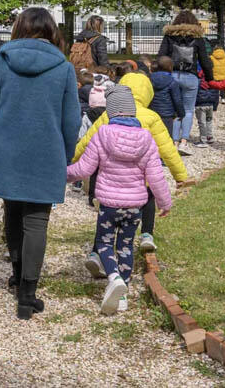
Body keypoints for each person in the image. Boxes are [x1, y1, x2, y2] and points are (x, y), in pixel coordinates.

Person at [0, 7, 81, 320]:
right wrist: (64, 155)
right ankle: (27, 293)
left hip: (6, 150)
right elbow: (71, 120)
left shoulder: (1, 63)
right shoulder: (63, 68)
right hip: (46, 152)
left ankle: (17, 274)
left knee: (13, 212)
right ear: (51, 30)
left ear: (18, 29)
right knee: (37, 220)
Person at [66, 85, 172, 315]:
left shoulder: (102, 134)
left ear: (111, 111)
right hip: (135, 207)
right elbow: (155, 176)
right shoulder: (146, 138)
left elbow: (84, 168)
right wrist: (164, 203)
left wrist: (62, 174)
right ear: (132, 111)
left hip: (109, 206)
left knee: (104, 243)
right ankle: (122, 296)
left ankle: (113, 277)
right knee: (125, 245)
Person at [75, 71, 190, 259]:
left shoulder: (109, 114)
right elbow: (167, 149)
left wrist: (70, 160)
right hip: (140, 180)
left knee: (106, 217)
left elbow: (87, 141)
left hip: (110, 179)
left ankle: (97, 253)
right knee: (149, 198)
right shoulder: (152, 117)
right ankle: (146, 235)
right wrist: (181, 177)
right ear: (148, 94)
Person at [157, 11, 214, 152]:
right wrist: (210, 78)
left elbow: (160, 56)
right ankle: (184, 141)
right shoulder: (198, 38)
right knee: (188, 110)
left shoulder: (169, 36)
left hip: (173, 76)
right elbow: (205, 61)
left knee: (175, 110)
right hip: (191, 76)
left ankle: (174, 141)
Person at [148, 56, 185, 141]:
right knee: (167, 137)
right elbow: (177, 100)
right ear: (170, 67)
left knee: (152, 137)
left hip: (151, 112)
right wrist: (181, 113)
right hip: (167, 115)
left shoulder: (149, 79)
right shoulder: (172, 82)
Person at [195, 68, 220, 146]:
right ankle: (210, 136)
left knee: (202, 123)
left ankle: (203, 140)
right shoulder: (213, 82)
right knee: (209, 121)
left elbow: (194, 94)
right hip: (210, 105)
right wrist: (215, 107)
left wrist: (194, 104)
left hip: (200, 105)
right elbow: (216, 95)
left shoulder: (198, 82)